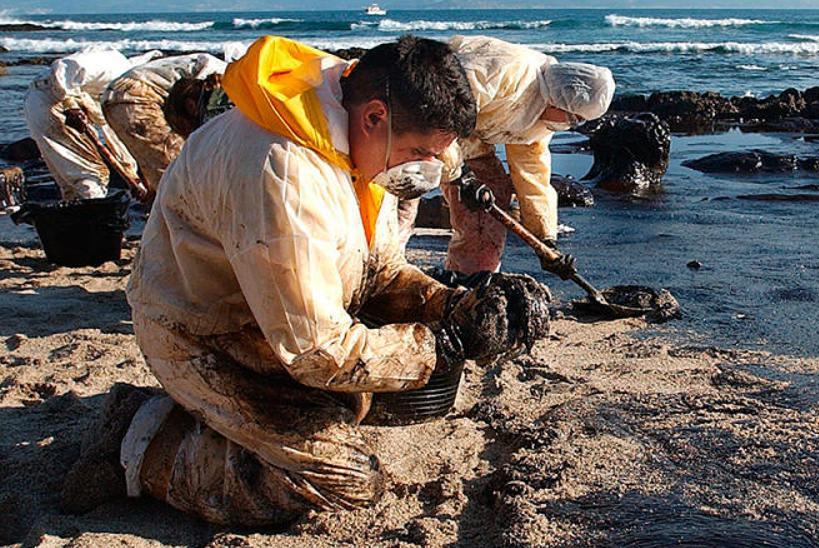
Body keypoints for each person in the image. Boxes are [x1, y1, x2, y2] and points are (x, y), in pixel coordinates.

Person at [59, 35, 551, 526]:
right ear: (375, 116)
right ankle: (140, 442)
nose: (423, 169)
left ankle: (210, 418)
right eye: (417, 151)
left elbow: (376, 272)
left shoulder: (349, 130)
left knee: (366, 394)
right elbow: (315, 351)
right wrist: (440, 346)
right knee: (346, 478)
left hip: (268, 310)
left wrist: (456, 307)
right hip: (205, 333)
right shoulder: (284, 174)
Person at [408, 35, 614, 281]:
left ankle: (471, 276)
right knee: (405, 190)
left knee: (493, 192)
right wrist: (460, 174)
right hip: (416, 117)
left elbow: (533, 172)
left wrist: (546, 240)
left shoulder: (542, 116)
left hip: (468, 136)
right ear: (561, 102)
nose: (572, 125)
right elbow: (439, 112)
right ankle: (384, 270)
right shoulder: (506, 72)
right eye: (574, 118)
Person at [23, 49, 158, 200]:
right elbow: (64, 67)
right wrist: (70, 105)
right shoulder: (112, 62)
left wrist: (136, 180)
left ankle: (77, 216)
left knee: (69, 182)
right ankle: (95, 216)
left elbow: (116, 140)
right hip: (51, 99)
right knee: (90, 173)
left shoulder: (114, 88)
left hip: (41, 102)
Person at [102, 53, 227, 194]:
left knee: (163, 163)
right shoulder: (222, 77)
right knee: (177, 168)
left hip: (120, 94)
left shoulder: (215, 67)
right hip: (136, 96)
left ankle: (157, 200)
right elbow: (210, 124)